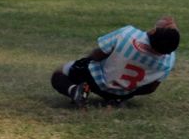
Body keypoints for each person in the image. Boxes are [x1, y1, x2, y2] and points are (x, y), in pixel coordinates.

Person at [50, 15, 180, 108]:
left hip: (95, 78)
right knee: (117, 91)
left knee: (59, 74)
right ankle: (115, 99)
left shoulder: (129, 34)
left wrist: (84, 63)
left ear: (152, 31)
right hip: (123, 92)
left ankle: (75, 91)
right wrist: (128, 91)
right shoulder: (169, 60)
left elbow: (98, 54)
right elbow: (151, 88)